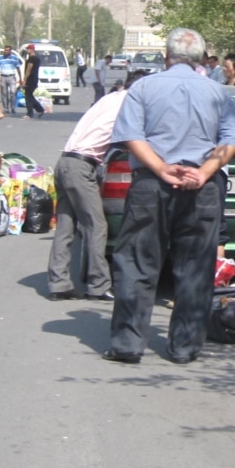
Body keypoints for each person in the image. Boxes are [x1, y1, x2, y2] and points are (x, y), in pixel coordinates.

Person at [105, 27, 235, 365]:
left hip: (151, 186)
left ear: (165, 58)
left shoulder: (143, 87)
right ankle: (184, 347)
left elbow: (130, 136)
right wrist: (205, 172)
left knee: (137, 262)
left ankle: (127, 344)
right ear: (201, 60)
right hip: (202, 189)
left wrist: (162, 168)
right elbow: (231, 142)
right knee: (196, 267)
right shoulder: (218, 92)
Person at [48, 71, 148, 302]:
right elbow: (130, 138)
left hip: (64, 161)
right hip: (82, 167)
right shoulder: (129, 104)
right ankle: (98, 285)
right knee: (96, 225)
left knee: (66, 225)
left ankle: (58, 283)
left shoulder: (109, 98)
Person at [0, 45, 22, 116]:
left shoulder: (14, 58)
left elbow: (18, 68)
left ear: (10, 51)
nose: (6, 51)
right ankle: (6, 108)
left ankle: (13, 108)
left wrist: (20, 78)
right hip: (3, 77)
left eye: (8, 50)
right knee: (4, 93)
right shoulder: (0, 58)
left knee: (13, 93)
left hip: (11, 76)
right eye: (5, 50)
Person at [22, 44, 45, 119]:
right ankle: (40, 109)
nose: (27, 50)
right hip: (34, 79)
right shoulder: (36, 58)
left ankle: (30, 113)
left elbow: (28, 70)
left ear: (32, 49)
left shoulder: (32, 59)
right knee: (29, 96)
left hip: (30, 79)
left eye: (28, 49)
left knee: (28, 97)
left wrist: (24, 80)